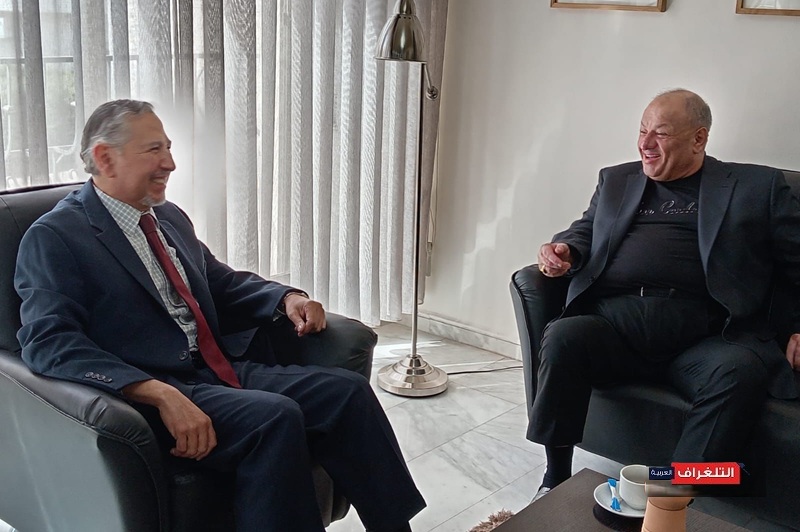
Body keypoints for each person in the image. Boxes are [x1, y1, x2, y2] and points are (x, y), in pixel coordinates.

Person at [14, 99, 425, 531]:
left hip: (214, 369)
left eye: (168, 148)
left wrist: (285, 298)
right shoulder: (55, 237)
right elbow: (49, 342)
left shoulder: (166, 216)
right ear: (104, 157)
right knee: (275, 417)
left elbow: (217, 281)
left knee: (347, 393)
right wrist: (157, 392)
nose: (170, 163)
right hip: (148, 393)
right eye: (153, 150)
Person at [528, 88, 800, 500]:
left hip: (706, 337)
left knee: (740, 371)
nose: (645, 143)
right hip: (617, 325)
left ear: (699, 138)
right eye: (642, 131)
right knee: (564, 336)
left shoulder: (756, 187)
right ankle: (554, 478)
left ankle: (673, 495)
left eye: (661, 133)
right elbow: (587, 228)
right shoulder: (616, 179)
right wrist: (567, 248)